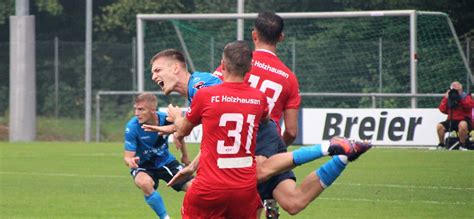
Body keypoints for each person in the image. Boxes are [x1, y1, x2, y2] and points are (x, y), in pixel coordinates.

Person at [145, 13, 372, 217]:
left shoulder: (203, 84)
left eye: (157, 70)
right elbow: (221, 134)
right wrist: (192, 160)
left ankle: (325, 149)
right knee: (293, 202)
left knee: (247, 178)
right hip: (263, 130)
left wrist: (179, 123)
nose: (154, 76)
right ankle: (342, 156)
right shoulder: (220, 77)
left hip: (256, 134)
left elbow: (222, 118)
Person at [172, 40, 269, 218]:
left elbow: (183, 130)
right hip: (244, 190)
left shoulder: (205, 95)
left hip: (209, 188)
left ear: (223, 65)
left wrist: (176, 117)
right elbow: (266, 119)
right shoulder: (259, 98)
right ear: (250, 67)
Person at [123, 93, 193, 219]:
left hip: (166, 162)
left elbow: (180, 132)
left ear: (152, 110)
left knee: (195, 188)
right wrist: (131, 161)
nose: (136, 113)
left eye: (141, 109)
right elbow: (127, 157)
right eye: (135, 109)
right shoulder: (132, 127)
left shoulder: (165, 119)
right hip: (144, 166)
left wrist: (185, 156)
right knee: (144, 183)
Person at [436, 81, 473, 149]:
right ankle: (441, 144)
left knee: (462, 124)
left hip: (464, 119)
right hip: (451, 119)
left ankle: (462, 144)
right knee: (439, 126)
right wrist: (446, 98)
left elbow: (469, 107)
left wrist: (460, 99)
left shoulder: (466, 96)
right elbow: (442, 109)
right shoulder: (450, 97)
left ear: (461, 88)